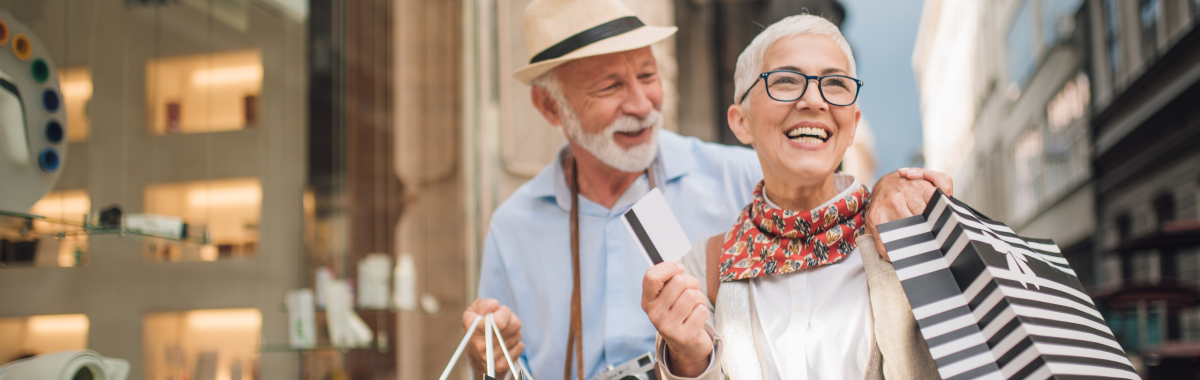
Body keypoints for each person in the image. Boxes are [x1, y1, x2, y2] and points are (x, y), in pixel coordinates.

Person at [463, 1, 951, 379]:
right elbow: (498, 371)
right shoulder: (513, 227)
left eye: (648, 76)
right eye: (610, 87)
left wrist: (891, 188)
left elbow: (818, 182)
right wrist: (494, 364)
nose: (640, 103)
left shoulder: (737, 174)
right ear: (550, 107)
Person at [641, 15, 945, 379]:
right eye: (785, 81)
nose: (814, 100)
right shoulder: (700, 267)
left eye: (835, 83)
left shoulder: (907, 230)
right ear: (741, 122)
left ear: (853, 122)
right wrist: (688, 360)